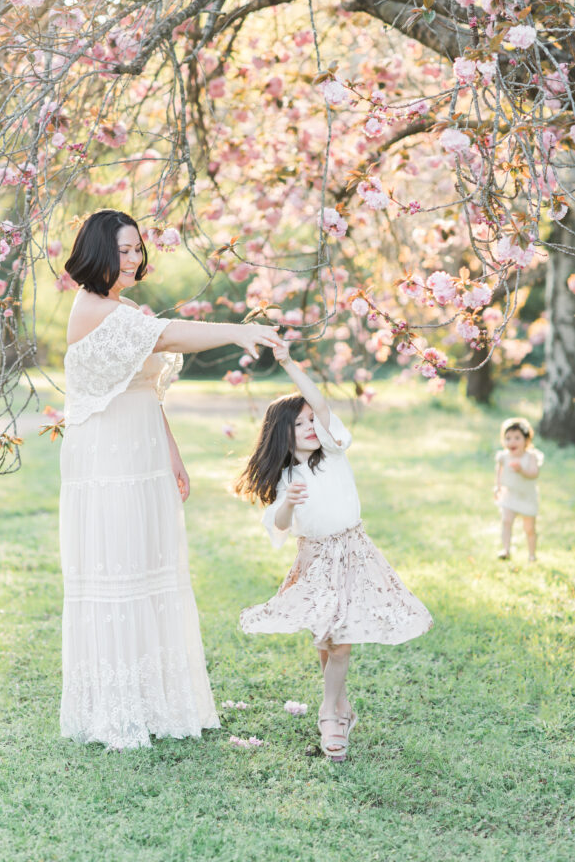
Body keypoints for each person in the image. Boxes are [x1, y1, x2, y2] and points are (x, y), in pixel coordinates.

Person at [59, 209, 283, 751]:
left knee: (153, 564)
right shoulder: (92, 310)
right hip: (106, 458)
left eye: (138, 249)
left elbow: (146, 392)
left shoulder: (125, 308)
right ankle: (118, 709)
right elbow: (169, 335)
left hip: (144, 450)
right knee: (120, 567)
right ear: (98, 252)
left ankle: (158, 698)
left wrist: (174, 456)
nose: (134, 258)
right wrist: (240, 330)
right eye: (124, 249)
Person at [236, 342, 433, 762]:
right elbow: (281, 524)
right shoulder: (288, 475)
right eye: (300, 423)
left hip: (354, 552)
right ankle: (341, 705)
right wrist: (288, 501)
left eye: (312, 420)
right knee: (325, 642)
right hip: (315, 559)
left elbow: (322, 406)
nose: (310, 426)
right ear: (282, 433)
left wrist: (288, 363)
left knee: (339, 642)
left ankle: (330, 715)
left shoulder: (334, 451)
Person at [494, 417, 543, 562]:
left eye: (517, 438)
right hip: (509, 494)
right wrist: (497, 487)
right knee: (506, 521)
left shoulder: (531, 457)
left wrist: (522, 470)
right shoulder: (503, 457)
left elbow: (534, 474)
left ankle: (532, 555)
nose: (512, 442)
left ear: (526, 441)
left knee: (529, 529)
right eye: (508, 438)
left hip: (527, 497)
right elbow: (499, 472)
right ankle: (506, 549)